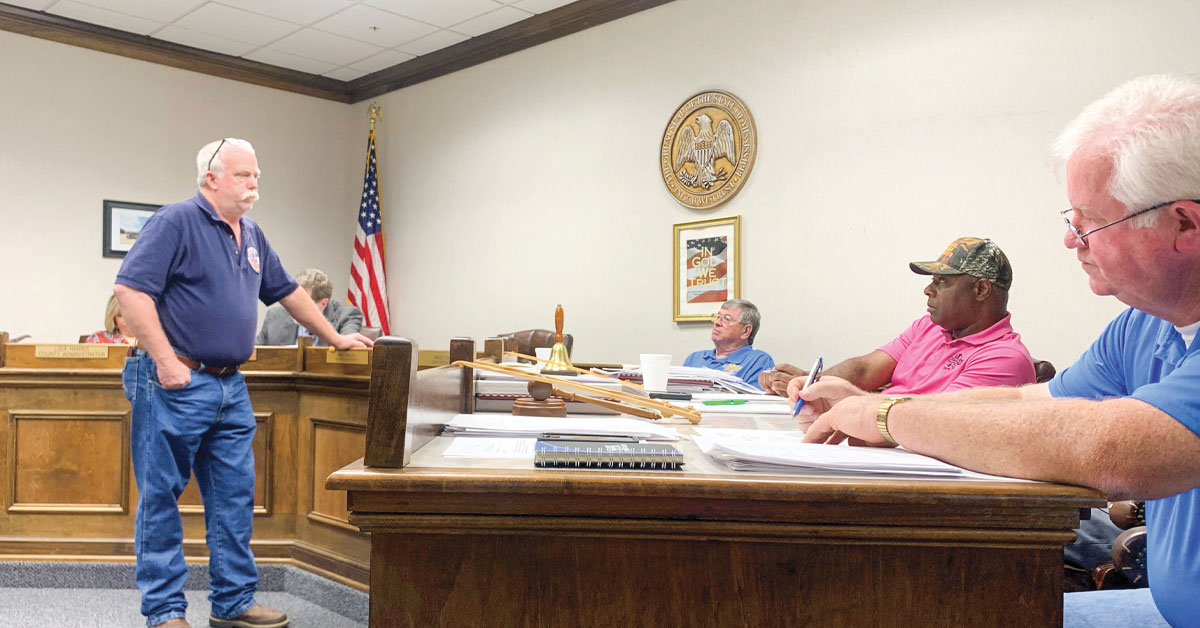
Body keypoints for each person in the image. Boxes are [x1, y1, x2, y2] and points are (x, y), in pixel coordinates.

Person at [795, 74, 1200, 626]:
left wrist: (885, 414)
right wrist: (868, 405)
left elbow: (1110, 448)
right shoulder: (1141, 325)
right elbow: (1034, 402)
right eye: (1071, 220)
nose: (1070, 239)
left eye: (1090, 222)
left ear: (1184, 224)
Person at [114, 138, 374, 628]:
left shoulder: (251, 233)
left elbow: (288, 292)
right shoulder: (175, 221)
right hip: (174, 382)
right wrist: (166, 361)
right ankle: (165, 611)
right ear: (211, 178)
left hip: (229, 387)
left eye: (256, 175)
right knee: (160, 499)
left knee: (234, 498)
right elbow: (129, 291)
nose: (254, 184)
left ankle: (233, 602)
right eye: (243, 175)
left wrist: (336, 338)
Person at [760, 237, 1036, 397]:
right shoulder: (928, 327)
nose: (928, 289)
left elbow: (931, 420)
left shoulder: (1004, 358)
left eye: (942, 282)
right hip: (879, 443)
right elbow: (865, 369)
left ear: (981, 290)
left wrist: (845, 402)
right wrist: (809, 384)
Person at [256, 268, 363, 345]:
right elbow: (255, 355)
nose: (295, 308)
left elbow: (347, 353)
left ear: (323, 303)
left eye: (303, 303)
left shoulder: (347, 316)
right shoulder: (274, 316)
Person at [683, 299, 774, 388]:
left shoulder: (758, 361)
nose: (717, 322)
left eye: (727, 319)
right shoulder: (694, 358)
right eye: (718, 317)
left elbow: (755, 396)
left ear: (746, 331)